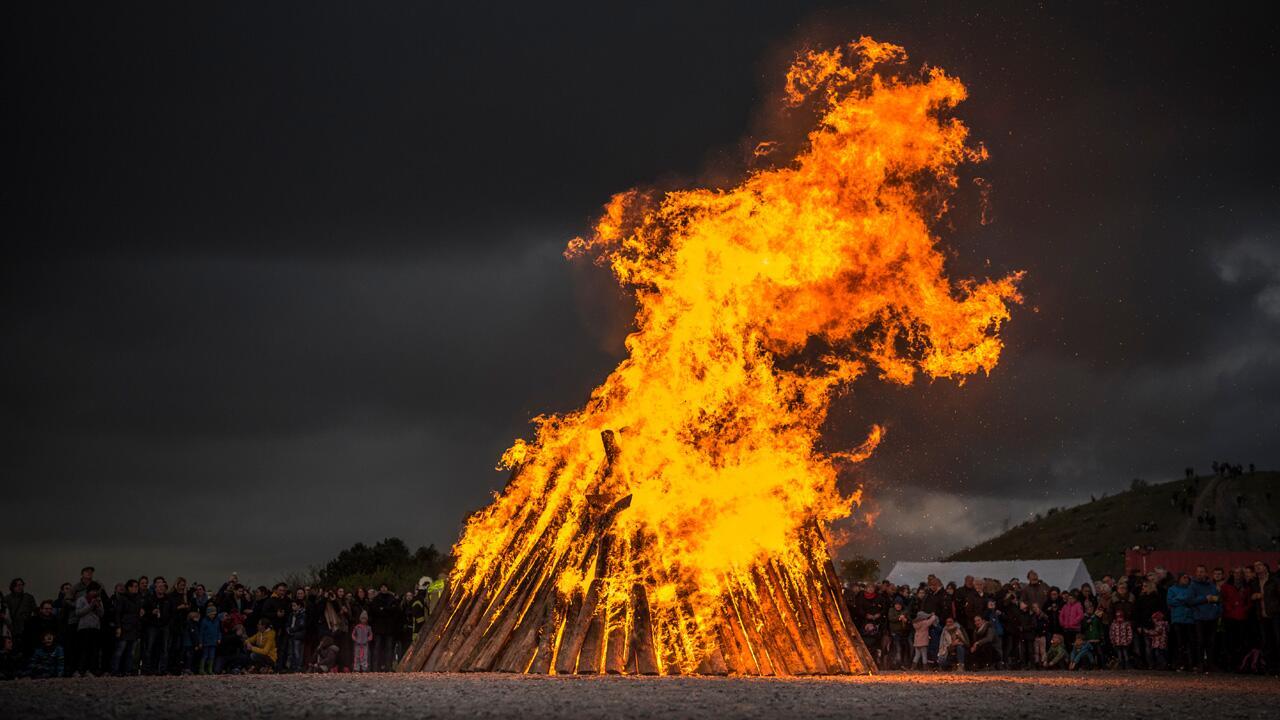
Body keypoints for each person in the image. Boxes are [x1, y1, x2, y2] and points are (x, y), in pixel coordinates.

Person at [1190, 565, 1221, 671]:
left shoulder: (1212, 586)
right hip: (1199, 617)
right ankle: (1200, 664)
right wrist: (1205, 598)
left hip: (1212, 617)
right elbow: (1190, 600)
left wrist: (1217, 610)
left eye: (1202, 571)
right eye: (1198, 571)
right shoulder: (1192, 586)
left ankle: (1210, 664)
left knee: (1211, 642)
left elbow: (1218, 599)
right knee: (1200, 641)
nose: (1200, 573)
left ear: (1206, 573)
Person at [1166, 573, 1197, 671]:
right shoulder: (1172, 589)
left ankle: (1190, 663)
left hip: (1190, 619)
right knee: (1179, 643)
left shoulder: (1192, 589)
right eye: (1184, 577)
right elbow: (1170, 602)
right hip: (1178, 619)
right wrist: (1185, 599)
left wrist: (1179, 598)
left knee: (1190, 642)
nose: (1186, 579)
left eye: (1187, 577)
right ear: (1179, 579)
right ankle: (1180, 663)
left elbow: (1192, 601)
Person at [72, 582, 104, 676]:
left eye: (96, 591)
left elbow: (102, 614)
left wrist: (97, 605)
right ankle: (80, 670)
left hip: (95, 628)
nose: (95, 593)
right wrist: (90, 606)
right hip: (84, 628)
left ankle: (92, 670)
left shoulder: (98, 600)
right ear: (89, 591)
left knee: (94, 651)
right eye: (94, 591)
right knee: (83, 650)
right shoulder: (81, 599)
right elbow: (78, 613)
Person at [111, 580, 142, 676]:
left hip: (134, 627)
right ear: (129, 587)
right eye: (135, 586)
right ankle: (115, 670)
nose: (136, 588)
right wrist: (118, 627)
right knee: (120, 651)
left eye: (137, 586)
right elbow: (118, 613)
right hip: (124, 627)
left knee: (131, 652)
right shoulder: (123, 599)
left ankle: (127, 670)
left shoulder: (137, 598)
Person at [4, 579, 37, 655]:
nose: (20, 587)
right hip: (13, 627)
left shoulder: (28, 597)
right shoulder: (7, 598)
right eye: (18, 585)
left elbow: (35, 611)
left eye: (22, 585)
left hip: (27, 627)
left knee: (27, 649)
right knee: (14, 649)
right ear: (13, 586)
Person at [197, 605, 221, 674]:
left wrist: (219, 638)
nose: (213, 615)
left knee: (212, 656)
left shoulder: (217, 621)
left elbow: (219, 631)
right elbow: (201, 633)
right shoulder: (204, 621)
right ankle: (201, 669)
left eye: (214, 614)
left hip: (213, 642)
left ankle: (209, 669)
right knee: (205, 655)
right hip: (206, 642)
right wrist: (200, 642)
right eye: (211, 614)